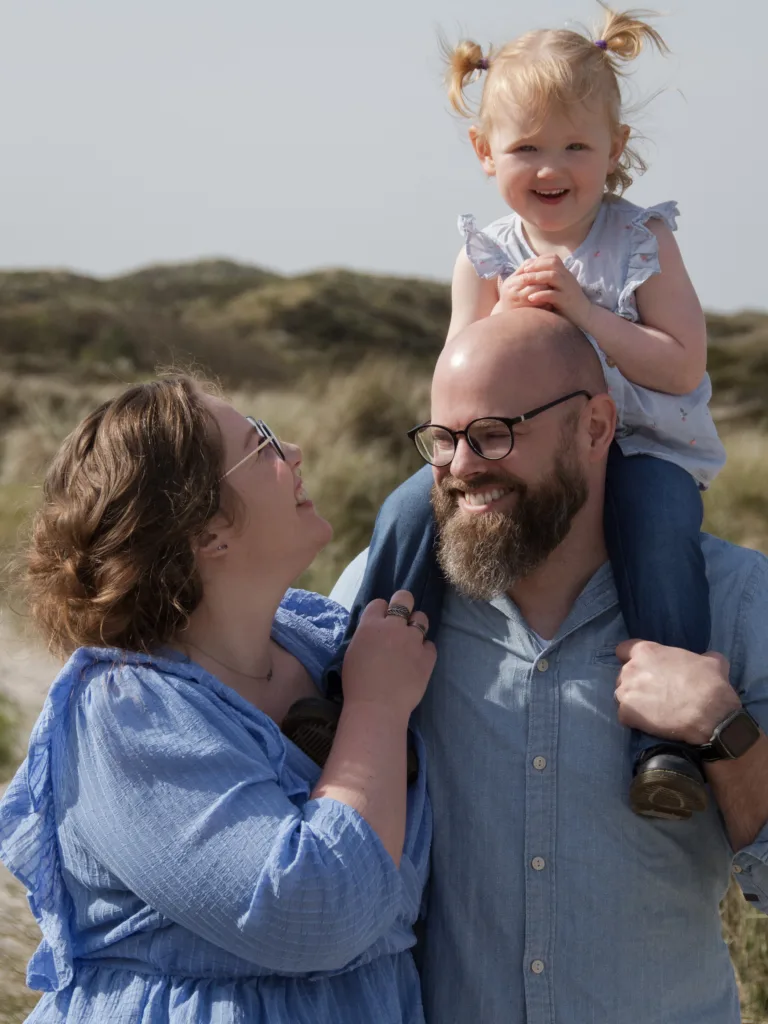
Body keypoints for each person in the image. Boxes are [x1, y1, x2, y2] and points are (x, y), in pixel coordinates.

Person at [330, 5, 727, 820]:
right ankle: (358, 692)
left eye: (576, 146)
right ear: (485, 154)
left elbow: (682, 361)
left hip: (645, 448)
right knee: (409, 507)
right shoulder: (485, 255)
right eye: (526, 148)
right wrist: (501, 325)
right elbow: (456, 373)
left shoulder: (640, 238)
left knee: (656, 528)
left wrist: (585, 313)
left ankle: (664, 747)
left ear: (615, 151)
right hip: (512, 451)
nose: (552, 167)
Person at [330, 309, 768, 1024]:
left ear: (597, 428)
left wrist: (723, 732)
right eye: (444, 440)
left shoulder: (739, 603)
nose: (463, 467)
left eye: (497, 433)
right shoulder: (381, 608)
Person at [0, 374, 435, 1024]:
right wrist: (375, 710)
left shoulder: (320, 644)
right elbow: (309, 910)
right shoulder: (123, 709)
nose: (294, 451)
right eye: (260, 445)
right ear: (206, 532)